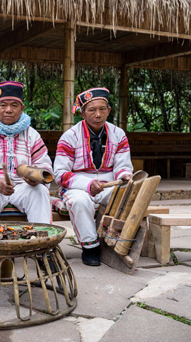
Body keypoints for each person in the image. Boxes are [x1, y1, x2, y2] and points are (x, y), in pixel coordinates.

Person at [54, 87, 133, 266]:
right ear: (82, 113)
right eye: (92, 110)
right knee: (80, 202)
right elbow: (60, 174)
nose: (98, 114)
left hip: (108, 183)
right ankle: (90, 247)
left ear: (109, 110)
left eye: (102, 109)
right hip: (77, 186)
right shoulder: (70, 136)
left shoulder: (118, 134)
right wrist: (88, 184)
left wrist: (125, 177)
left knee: (125, 195)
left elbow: (123, 166)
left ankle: (118, 240)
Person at [0, 80, 53, 225]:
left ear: (22, 108)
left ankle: (42, 243)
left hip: (23, 187)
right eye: (3, 105)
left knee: (40, 191)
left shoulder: (32, 134)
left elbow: (44, 165)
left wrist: (36, 177)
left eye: (14, 105)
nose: (8, 110)